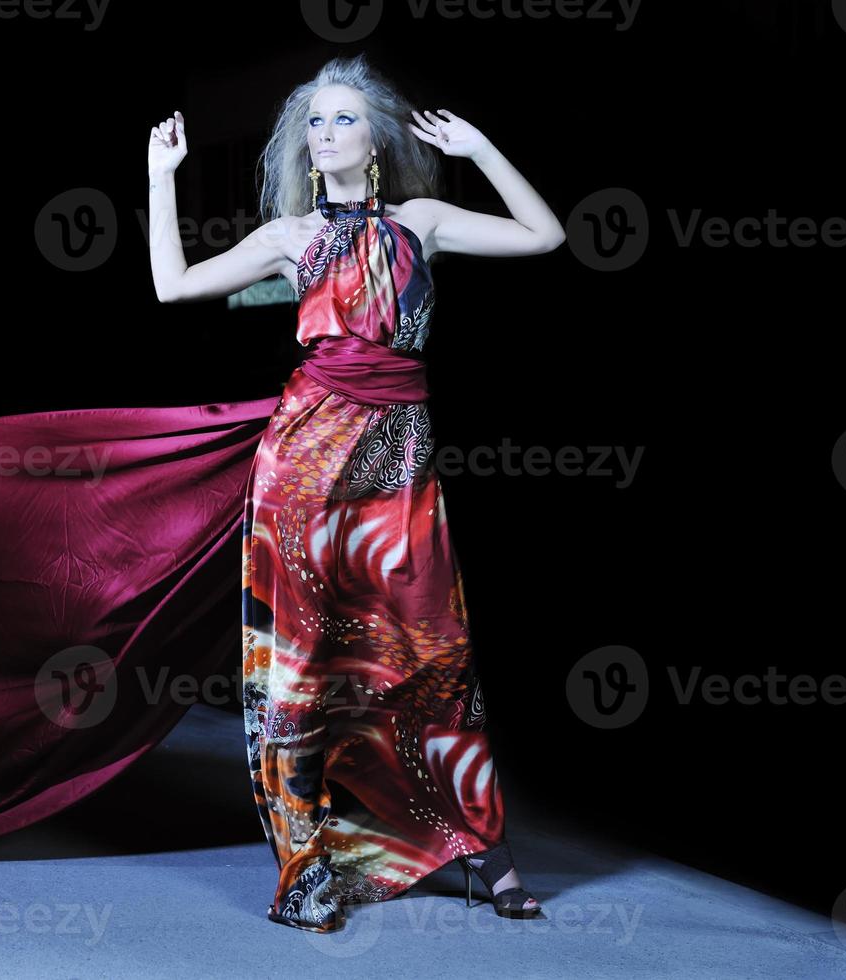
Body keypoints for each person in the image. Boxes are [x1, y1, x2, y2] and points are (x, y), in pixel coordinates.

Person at [147, 53, 565, 932]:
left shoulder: (424, 220)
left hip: (401, 462)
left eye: (342, 119)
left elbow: (544, 236)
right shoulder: (290, 237)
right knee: (301, 666)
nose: (324, 133)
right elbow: (172, 285)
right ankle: (305, 866)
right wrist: (159, 178)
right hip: (304, 462)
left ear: (374, 137)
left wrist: (484, 149)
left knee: (433, 652)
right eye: (313, 122)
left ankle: (482, 853)